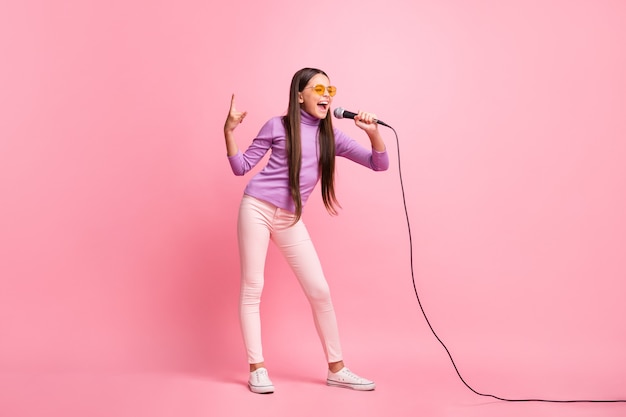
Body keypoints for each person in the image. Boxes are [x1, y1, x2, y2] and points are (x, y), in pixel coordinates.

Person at [224, 67, 389, 394]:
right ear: (300, 95)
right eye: (318, 89)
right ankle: (257, 369)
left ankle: (337, 369)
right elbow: (240, 167)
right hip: (256, 207)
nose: (326, 95)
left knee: (320, 291)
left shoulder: (332, 137)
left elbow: (378, 163)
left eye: (330, 89)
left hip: (290, 218)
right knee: (253, 287)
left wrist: (372, 132)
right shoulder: (277, 125)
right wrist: (228, 131)